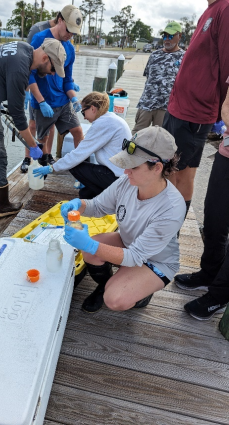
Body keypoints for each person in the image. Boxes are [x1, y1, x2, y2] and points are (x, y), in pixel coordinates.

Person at [61, 126, 186, 313]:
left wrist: (90, 245)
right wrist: (78, 204)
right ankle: (106, 283)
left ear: (157, 168)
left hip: (156, 261)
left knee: (115, 299)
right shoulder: (127, 181)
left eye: (133, 166)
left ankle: (141, 292)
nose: (126, 171)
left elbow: (135, 256)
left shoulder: (172, 208)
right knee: (91, 251)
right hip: (129, 242)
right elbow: (99, 206)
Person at [0, 39, 66, 217]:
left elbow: (10, 73)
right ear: (44, 58)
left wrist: (22, 93)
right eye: (52, 69)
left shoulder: (24, 49)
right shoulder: (20, 67)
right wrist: (33, 146)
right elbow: (18, 118)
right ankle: (3, 205)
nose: (51, 74)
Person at [162, 0, 229, 222]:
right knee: (167, 170)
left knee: (180, 175)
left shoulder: (225, 8)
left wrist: (217, 109)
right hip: (178, 107)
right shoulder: (209, 10)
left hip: (195, 112)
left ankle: (171, 232)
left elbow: (226, 66)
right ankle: (165, 229)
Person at [175, 77, 229, 320]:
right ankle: (209, 273)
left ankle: (218, 295)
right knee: (214, 219)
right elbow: (226, 105)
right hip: (226, 154)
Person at [32, 92, 131, 199]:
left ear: (92, 109)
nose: (84, 118)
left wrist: (52, 168)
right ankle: (93, 194)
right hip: (123, 175)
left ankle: (105, 194)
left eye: (83, 112)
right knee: (84, 193)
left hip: (118, 179)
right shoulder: (111, 119)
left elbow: (79, 154)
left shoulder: (103, 123)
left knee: (75, 165)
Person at [28, 5, 84, 168]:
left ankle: (80, 166)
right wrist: (41, 101)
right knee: (43, 138)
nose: (70, 35)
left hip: (64, 101)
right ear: (60, 20)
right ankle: (43, 167)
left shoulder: (70, 49)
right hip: (44, 101)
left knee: (78, 131)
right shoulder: (39, 39)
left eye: (74, 33)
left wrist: (74, 98)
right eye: (69, 30)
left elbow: (67, 80)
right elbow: (29, 73)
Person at [132, 22, 185, 135]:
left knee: (161, 139)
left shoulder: (184, 57)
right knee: (137, 136)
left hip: (167, 108)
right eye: (164, 36)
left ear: (179, 36)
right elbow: (148, 77)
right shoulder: (154, 55)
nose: (166, 39)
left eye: (170, 36)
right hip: (147, 103)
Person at [21, 15, 58, 173]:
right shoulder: (38, 31)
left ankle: (47, 154)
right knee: (32, 124)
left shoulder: (65, 38)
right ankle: (28, 156)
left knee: (50, 125)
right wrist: (26, 91)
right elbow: (27, 64)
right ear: (60, 21)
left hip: (51, 91)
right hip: (35, 88)